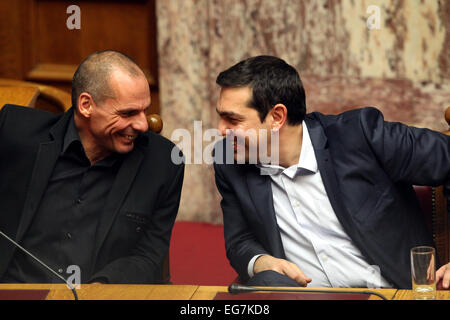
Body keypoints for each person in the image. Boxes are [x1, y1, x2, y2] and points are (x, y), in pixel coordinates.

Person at [213, 55, 450, 289]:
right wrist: (261, 262)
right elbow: (240, 241)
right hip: (305, 299)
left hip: (393, 294)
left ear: (277, 117)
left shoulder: (360, 135)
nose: (221, 130)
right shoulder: (229, 161)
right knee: (264, 282)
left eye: (232, 120)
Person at [0, 50, 184, 284]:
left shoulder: (162, 162)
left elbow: (148, 255)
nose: (141, 124)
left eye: (144, 111)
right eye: (128, 113)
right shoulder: (14, 132)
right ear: (86, 105)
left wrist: (101, 291)